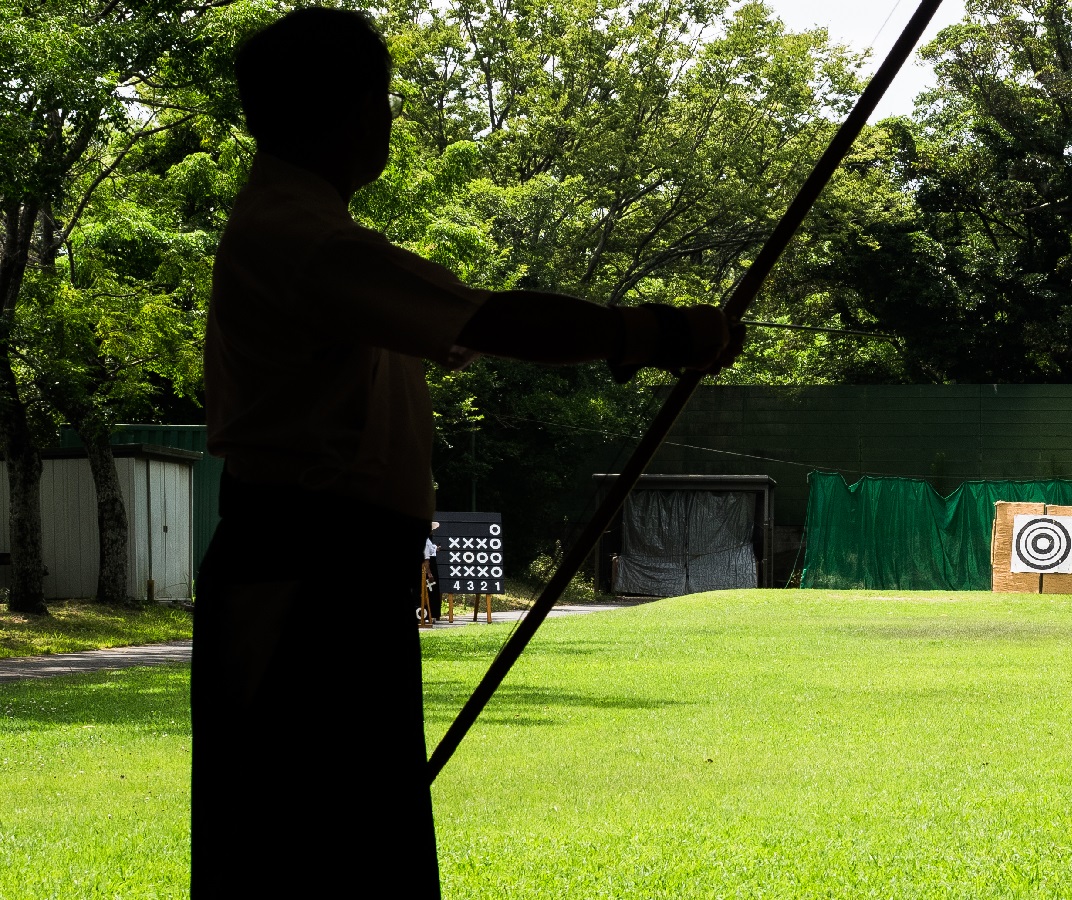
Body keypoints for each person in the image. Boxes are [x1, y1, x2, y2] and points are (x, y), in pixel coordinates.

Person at [192, 8, 740, 896]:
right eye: (382, 100)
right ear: (351, 109)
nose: (389, 121)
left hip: (329, 569)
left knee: (340, 832)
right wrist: (658, 332)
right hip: (307, 572)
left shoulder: (304, 230)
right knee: (303, 841)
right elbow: (493, 319)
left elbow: (463, 322)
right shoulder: (306, 241)